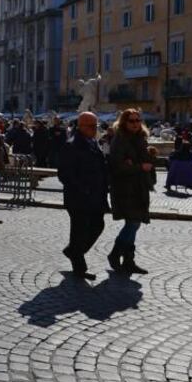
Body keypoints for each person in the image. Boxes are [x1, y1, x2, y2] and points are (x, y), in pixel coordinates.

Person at [57, 111, 109, 280]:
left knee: (98, 225)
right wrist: (82, 188)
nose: (95, 129)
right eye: (91, 126)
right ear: (80, 126)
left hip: (96, 196)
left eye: (96, 126)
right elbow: (64, 173)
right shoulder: (72, 144)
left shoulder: (93, 142)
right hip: (79, 197)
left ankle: (73, 251)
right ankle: (79, 266)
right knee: (79, 231)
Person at [108, 109, 154, 274]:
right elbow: (117, 166)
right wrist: (139, 166)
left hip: (139, 187)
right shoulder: (119, 140)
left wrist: (140, 162)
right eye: (131, 121)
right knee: (133, 222)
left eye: (137, 120)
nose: (135, 123)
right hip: (125, 188)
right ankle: (115, 253)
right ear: (123, 123)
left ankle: (128, 260)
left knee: (135, 223)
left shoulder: (141, 139)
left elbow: (142, 161)